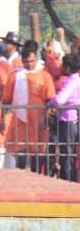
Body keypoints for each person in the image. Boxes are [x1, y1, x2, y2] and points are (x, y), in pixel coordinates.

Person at [1, 40, 55, 172]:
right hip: (19, 124)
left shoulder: (45, 76)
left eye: (32, 61)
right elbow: (6, 100)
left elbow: (51, 100)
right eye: (26, 62)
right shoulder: (14, 75)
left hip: (39, 126)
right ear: (22, 60)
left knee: (37, 164)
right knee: (21, 162)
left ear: (36, 58)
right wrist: (2, 120)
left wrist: (47, 118)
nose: (30, 64)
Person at [48, 51, 80, 182]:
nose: (60, 68)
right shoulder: (78, 79)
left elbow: (60, 100)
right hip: (75, 121)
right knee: (71, 154)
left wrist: (48, 103)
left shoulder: (70, 81)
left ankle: (68, 182)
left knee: (66, 155)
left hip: (67, 121)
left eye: (62, 65)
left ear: (67, 68)